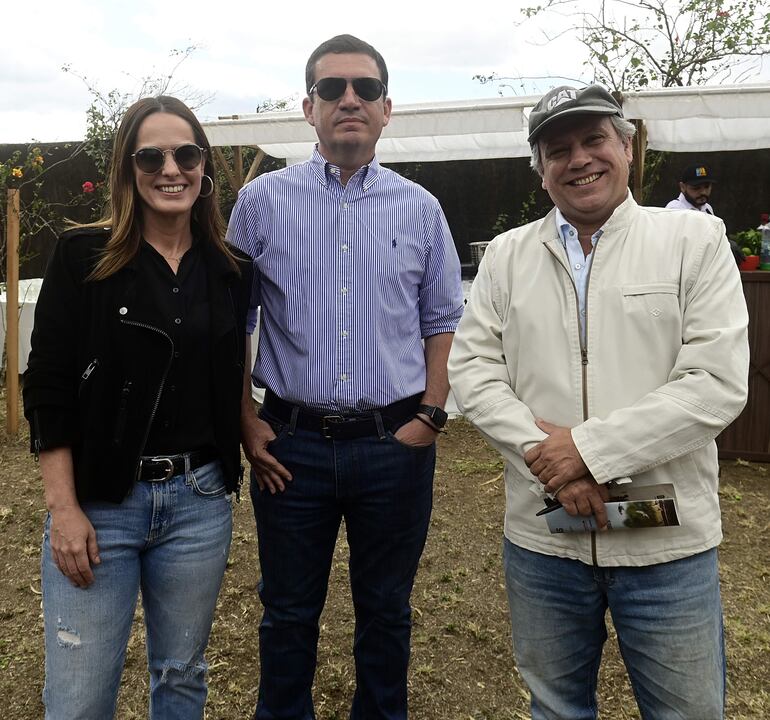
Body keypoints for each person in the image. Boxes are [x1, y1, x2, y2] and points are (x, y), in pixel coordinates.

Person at [448, 85, 749, 720]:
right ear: (539, 169)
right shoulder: (506, 256)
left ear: (628, 147)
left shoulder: (693, 241)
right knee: (555, 709)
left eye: (594, 140)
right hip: (544, 540)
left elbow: (714, 383)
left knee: (688, 712)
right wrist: (550, 458)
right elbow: (473, 371)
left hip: (665, 543)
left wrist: (587, 452)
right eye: (557, 149)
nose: (578, 159)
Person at [228, 34, 463, 720]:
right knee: (287, 612)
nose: (349, 100)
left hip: (395, 443)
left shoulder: (420, 209)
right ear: (309, 107)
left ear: (388, 109)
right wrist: (246, 418)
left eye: (365, 88)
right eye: (332, 89)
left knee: (387, 612)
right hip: (290, 447)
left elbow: (443, 318)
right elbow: (232, 321)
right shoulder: (260, 204)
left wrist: (432, 415)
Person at [23, 95, 253, 719]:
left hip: (198, 504)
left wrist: (251, 431)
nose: (170, 168)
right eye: (150, 155)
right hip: (102, 505)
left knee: (181, 677)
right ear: (128, 167)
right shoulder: (83, 259)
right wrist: (63, 508)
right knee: (79, 693)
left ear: (204, 166)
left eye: (186, 153)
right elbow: (46, 384)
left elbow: (233, 371)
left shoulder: (231, 271)